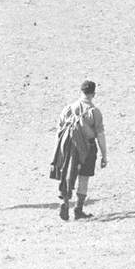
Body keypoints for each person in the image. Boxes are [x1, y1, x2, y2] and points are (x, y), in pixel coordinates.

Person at [52, 80, 107, 221]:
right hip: (88, 147)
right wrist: (104, 155)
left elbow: (59, 130)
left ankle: (65, 202)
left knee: (68, 174)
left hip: (69, 146)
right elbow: (100, 135)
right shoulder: (94, 112)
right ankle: (78, 209)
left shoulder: (68, 109)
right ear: (93, 94)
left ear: (81, 92)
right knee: (84, 177)